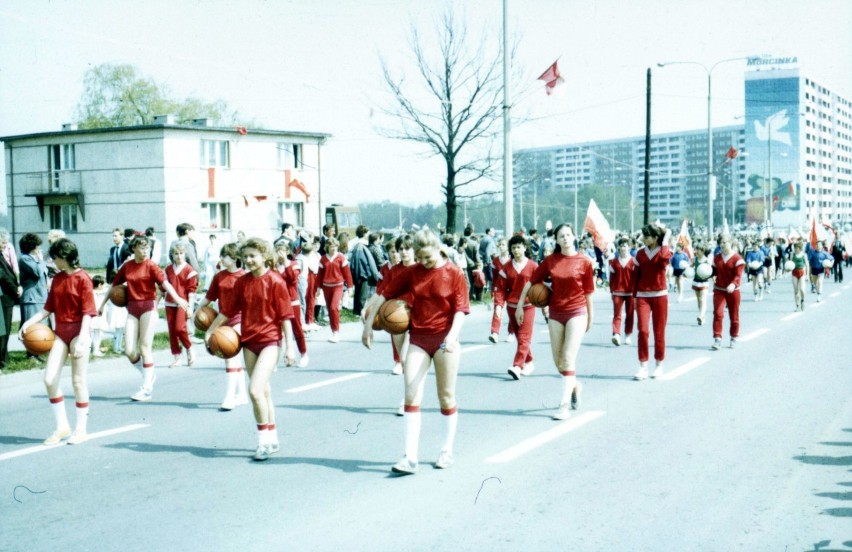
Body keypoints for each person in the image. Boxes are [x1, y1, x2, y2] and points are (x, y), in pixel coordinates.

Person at [362, 229, 469, 475]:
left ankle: (446, 450)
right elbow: (383, 294)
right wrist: (368, 326)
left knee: (446, 396)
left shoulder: (454, 272)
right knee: (411, 394)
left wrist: (452, 337)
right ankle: (409, 457)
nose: (424, 262)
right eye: (419, 258)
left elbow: (461, 309)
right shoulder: (412, 272)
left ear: (438, 249)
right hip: (419, 338)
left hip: (445, 338)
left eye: (427, 257)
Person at [205, 237, 295, 461]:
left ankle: (263, 443)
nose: (248, 260)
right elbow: (228, 310)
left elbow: (285, 317)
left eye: (253, 255)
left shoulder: (275, 281)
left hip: (270, 341)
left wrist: (290, 348)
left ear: (265, 256)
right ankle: (272, 438)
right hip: (248, 341)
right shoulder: (242, 282)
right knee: (263, 392)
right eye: (245, 256)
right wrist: (210, 331)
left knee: (254, 390)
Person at [19, 238, 97, 445]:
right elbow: (47, 309)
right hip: (61, 333)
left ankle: (81, 429)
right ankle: (62, 426)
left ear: (64, 257)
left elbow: (88, 312)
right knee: (49, 379)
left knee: (78, 381)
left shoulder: (83, 279)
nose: (52, 261)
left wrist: (81, 339)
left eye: (54, 257)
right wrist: (27, 324)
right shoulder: (58, 279)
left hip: (80, 332)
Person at [516, 224, 594, 419]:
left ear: (574, 237)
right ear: (557, 240)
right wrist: (519, 305)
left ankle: (564, 405)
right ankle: (575, 386)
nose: (566, 238)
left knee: (568, 358)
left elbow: (589, 293)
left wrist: (591, 317)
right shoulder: (551, 261)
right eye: (562, 236)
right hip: (556, 313)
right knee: (559, 363)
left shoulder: (585, 261)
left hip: (577, 312)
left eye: (568, 234)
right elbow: (532, 282)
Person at [98, 235, 190, 402]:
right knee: (129, 351)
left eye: (147, 248)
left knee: (145, 349)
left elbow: (166, 284)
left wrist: (179, 299)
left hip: (148, 307)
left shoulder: (152, 266)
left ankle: (146, 387)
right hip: (132, 309)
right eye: (142, 248)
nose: (145, 251)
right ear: (133, 249)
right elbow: (113, 287)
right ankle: (148, 373)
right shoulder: (127, 266)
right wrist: (102, 305)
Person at [196, 242, 248, 411]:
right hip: (222, 320)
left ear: (234, 258)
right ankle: (242, 395)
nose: (221, 259)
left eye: (224, 256)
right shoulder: (219, 276)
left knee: (229, 354)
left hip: (240, 320)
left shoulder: (244, 277)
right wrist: (196, 310)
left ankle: (230, 397)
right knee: (233, 358)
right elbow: (209, 297)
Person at [632, 223, 672, 381]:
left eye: (646, 236)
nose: (643, 239)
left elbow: (663, 259)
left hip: (660, 295)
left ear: (655, 238)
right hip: (642, 296)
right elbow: (635, 277)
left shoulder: (664, 251)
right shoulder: (640, 254)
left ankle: (659, 364)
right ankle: (643, 366)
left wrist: (666, 239)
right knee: (642, 330)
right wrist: (634, 297)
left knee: (659, 331)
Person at [495, 234, 538, 380]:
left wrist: (544, 305)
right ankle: (529, 362)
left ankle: (517, 366)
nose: (516, 250)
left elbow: (540, 286)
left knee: (524, 336)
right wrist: (499, 306)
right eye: (513, 248)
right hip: (512, 306)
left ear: (525, 248)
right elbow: (500, 288)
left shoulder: (533, 266)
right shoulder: (506, 267)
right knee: (520, 337)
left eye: (519, 247)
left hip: (528, 305)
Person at [163, 242, 198, 368]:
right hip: (169, 302)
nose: (178, 256)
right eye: (176, 253)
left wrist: (190, 307)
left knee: (180, 328)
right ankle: (177, 357)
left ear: (185, 254)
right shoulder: (167, 269)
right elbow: (162, 288)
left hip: (183, 303)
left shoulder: (189, 270)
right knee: (172, 331)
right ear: (172, 255)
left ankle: (189, 348)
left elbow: (191, 291)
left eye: (181, 253)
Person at [275, 239, 308, 367]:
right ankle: (276, 359)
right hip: (278, 303)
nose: (280, 253)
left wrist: (286, 264)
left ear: (287, 251)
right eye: (277, 250)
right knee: (277, 331)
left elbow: (292, 279)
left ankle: (304, 354)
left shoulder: (294, 264)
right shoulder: (273, 266)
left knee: (297, 328)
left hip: (292, 301)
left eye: (282, 250)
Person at [710, 234, 745, 350]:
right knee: (718, 313)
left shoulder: (738, 259)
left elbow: (738, 276)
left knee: (734, 315)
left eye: (725, 242)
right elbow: (713, 271)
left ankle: (734, 337)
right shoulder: (717, 258)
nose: (722, 245)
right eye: (720, 243)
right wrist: (713, 276)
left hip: (733, 291)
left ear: (731, 243)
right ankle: (717, 338)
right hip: (719, 289)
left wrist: (733, 284)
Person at [18, 233, 49, 359]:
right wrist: (40, 260)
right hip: (32, 297)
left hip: (40, 296)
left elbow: (44, 272)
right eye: (37, 245)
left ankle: (38, 352)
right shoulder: (25, 258)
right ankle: (31, 354)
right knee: (32, 327)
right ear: (32, 246)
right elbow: (38, 272)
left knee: (40, 327)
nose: (39, 248)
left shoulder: (33, 259)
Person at [317, 237, 353, 343]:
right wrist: (318, 288)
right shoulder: (323, 259)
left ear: (337, 246)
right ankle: (333, 332)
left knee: (333, 308)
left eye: (335, 246)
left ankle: (336, 332)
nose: (333, 249)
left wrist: (350, 287)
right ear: (327, 247)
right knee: (330, 309)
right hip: (326, 287)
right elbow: (319, 275)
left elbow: (347, 274)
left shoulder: (341, 258)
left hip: (338, 285)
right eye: (331, 246)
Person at [608, 237, 636, 346]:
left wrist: (636, 292)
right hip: (617, 292)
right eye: (621, 246)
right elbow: (612, 278)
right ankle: (616, 334)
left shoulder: (633, 261)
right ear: (618, 248)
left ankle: (628, 334)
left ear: (629, 247)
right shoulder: (614, 262)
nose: (623, 248)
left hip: (630, 292)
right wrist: (611, 291)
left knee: (630, 314)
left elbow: (636, 277)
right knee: (617, 314)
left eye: (625, 245)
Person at [348, 225, 380, 317]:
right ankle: (360, 311)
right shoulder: (364, 244)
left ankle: (355, 311)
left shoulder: (354, 243)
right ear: (364, 233)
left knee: (357, 292)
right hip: (363, 272)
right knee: (363, 294)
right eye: (368, 232)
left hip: (356, 271)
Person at [0, 229, 20, 369]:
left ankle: (4, 357)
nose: (5, 244)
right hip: (5, 295)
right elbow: (4, 276)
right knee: (4, 329)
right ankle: (2, 359)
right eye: (2, 242)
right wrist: (16, 290)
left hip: (7, 295)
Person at [488, 238, 512, 343]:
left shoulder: (512, 260)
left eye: (503, 244)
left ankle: (511, 332)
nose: (501, 246)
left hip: (512, 288)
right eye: (500, 245)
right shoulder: (495, 260)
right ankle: (495, 333)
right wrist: (493, 289)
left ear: (507, 247)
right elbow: (494, 277)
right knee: (497, 309)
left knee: (512, 311)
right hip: (499, 289)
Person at [691, 246, 712, 325]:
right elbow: (690, 267)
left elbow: (710, 271)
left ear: (702, 251)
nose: (696, 251)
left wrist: (713, 278)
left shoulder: (707, 261)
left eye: (698, 250)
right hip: (696, 281)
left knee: (703, 299)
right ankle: (702, 317)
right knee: (699, 299)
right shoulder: (695, 259)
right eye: (696, 249)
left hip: (704, 282)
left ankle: (701, 315)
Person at [90, 275, 108, 357]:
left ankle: (93, 349)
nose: (104, 286)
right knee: (97, 334)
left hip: (94, 317)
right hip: (98, 317)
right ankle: (95, 350)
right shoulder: (98, 293)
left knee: (93, 333)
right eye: (103, 284)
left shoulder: (91, 292)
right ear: (100, 285)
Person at [789, 239, 808, 311]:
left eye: (798, 248)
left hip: (802, 272)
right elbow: (790, 264)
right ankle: (797, 305)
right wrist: (788, 269)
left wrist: (808, 276)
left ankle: (802, 300)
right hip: (794, 272)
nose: (796, 250)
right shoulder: (792, 254)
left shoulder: (804, 255)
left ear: (800, 249)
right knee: (796, 291)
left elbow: (807, 265)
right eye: (795, 248)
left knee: (802, 289)